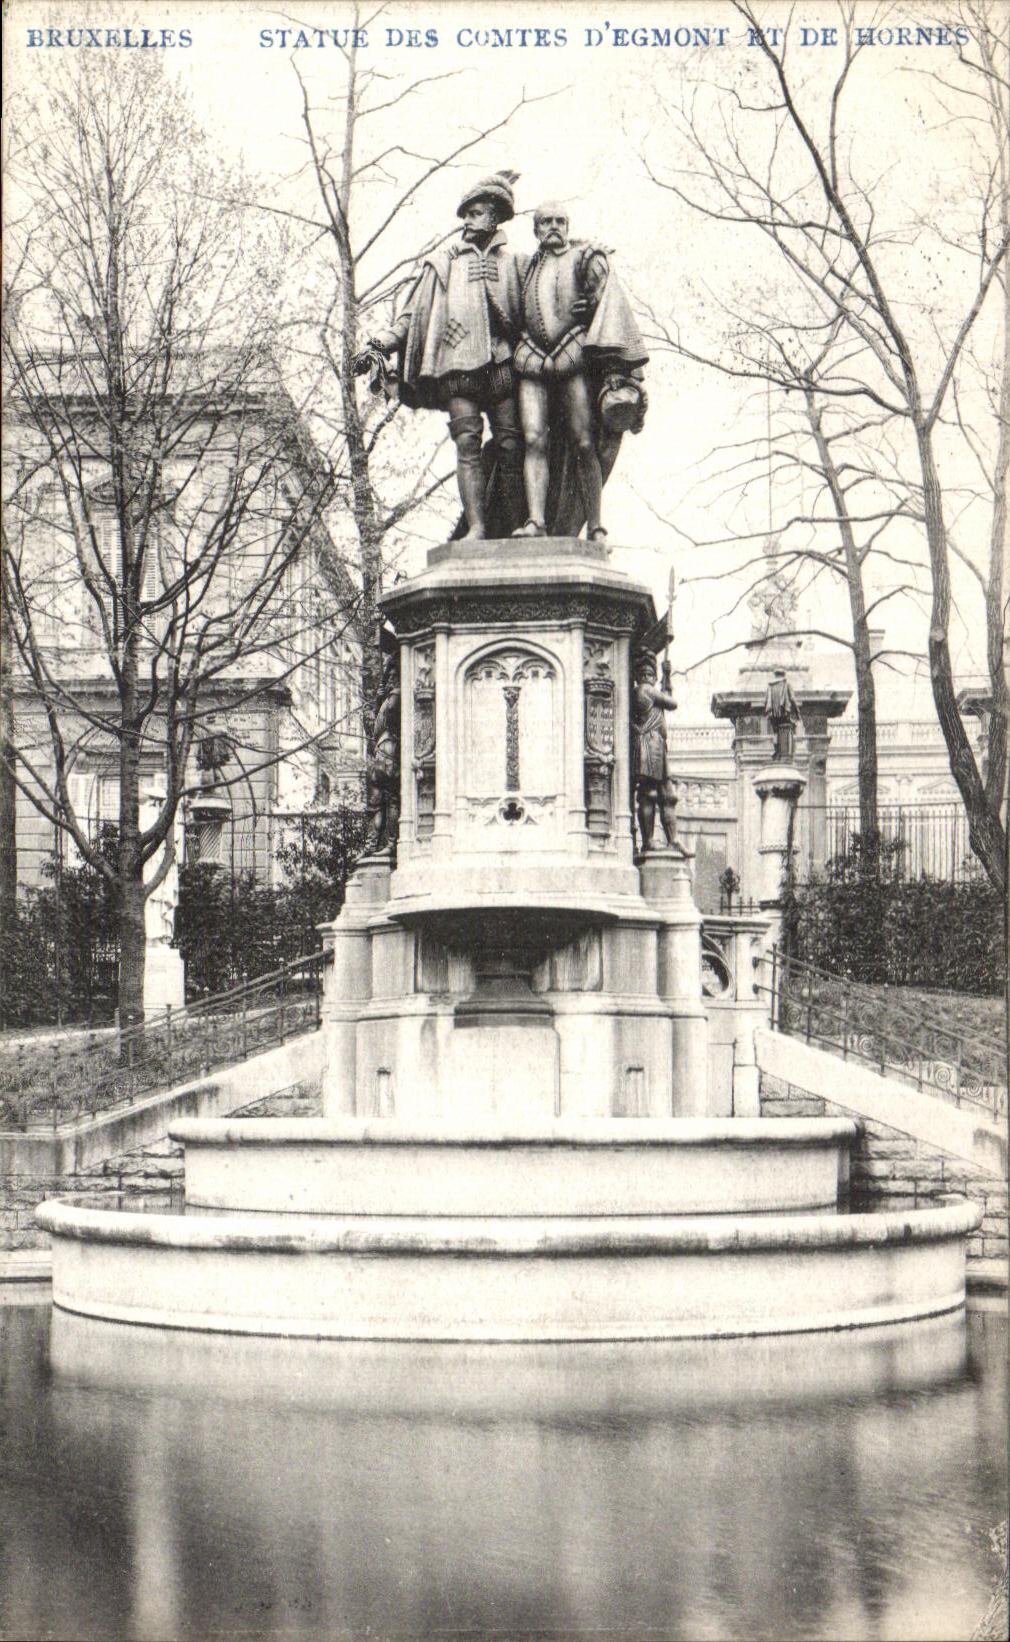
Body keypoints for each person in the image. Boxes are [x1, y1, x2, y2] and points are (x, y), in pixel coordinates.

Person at [354, 171, 526, 539]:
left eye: (476, 212)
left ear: (495, 215)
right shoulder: (443, 262)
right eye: (466, 213)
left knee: (512, 444)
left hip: (501, 364)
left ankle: (514, 529)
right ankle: (477, 528)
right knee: (467, 443)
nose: (466, 220)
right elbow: (410, 317)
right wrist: (378, 345)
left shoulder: (515, 264)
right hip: (457, 367)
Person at [512, 202, 648, 540]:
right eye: (546, 222)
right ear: (536, 229)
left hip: (572, 355)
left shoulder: (586, 258)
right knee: (532, 439)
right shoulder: (526, 267)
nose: (554, 227)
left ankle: (596, 524)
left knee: (585, 441)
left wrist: (590, 320)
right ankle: (535, 521)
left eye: (560, 221)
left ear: (568, 226)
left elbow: (608, 308)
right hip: (531, 357)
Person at [632, 652, 679, 852]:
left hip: (657, 746)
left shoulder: (645, 690)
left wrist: (666, 677)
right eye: (647, 673)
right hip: (649, 746)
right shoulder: (645, 690)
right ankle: (649, 842)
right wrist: (666, 675)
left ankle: (673, 840)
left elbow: (666, 702)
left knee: (667, 795)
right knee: (648, 793)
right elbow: (672, 703)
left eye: (651, 673)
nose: (649, 677)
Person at [364, 655, 401, 854]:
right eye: (389, 676)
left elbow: (389, 719)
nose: (389, 679)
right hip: (382, 751)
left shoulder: (395, 696)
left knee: (390, 800)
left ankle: (390, 844)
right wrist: (380, 699)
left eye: (393, 675)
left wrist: (386, 696)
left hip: (390, 752)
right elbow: (377, 726)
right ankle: (374, 845)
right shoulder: (388, 698)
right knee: (377, 802)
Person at [764, 669, 800, 762]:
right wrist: (797, 711)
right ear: (783, 675)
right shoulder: (786, 684)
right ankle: (785, 754)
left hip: (773, 714)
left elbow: (766, 701)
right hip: (784, 712)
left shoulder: (770, 686)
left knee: (776, 732)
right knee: (786, 731)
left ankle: (777, 752)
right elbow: (792, 698)